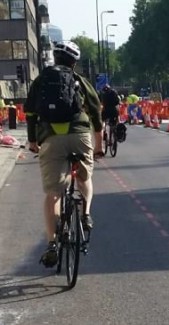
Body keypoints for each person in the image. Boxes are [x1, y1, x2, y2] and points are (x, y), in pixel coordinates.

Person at [24, 40, 104, 268]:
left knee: (54, 193)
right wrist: (98, 146)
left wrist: (32, 140)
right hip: (79, 134)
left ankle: (51, 244)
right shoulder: (80, 81)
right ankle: (86, 213)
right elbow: (96, 115)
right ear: (75, 61)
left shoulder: (41, 80)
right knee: (85, 178)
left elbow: (29, 112)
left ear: (54, 58)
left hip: (50, 137)